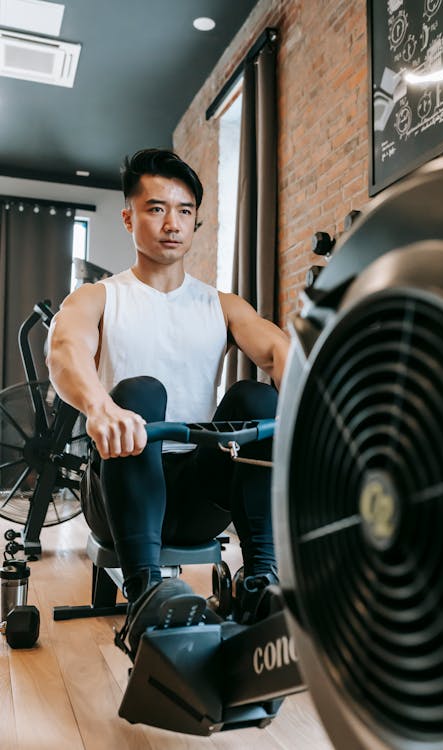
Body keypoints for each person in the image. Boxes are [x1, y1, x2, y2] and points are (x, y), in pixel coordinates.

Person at [47, 148, 290, 659]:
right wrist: (100, 408)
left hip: (197, 501)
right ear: (129, 216)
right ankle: (144, 599)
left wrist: (314, 409)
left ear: (196, 220)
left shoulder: (220, 304)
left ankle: (259, 586)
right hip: (119, 495)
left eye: (183, 211)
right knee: (140, 393)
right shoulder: (98, 297)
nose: (171, 223)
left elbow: (273, 348)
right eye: (156, 208)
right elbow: (65, 351)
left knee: (256, 399)